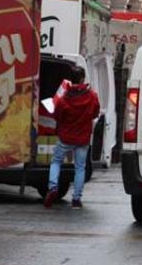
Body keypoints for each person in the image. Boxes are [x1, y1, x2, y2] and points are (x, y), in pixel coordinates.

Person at [44, 68, 102, 209]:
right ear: (82, 79)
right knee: (80, 167)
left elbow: (57, 115)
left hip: (66, 137)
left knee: (56, 161)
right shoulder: (92, 96)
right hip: (82, 138)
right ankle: (76, 199)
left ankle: (52, 187)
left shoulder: (64, 98)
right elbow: (95, 113)